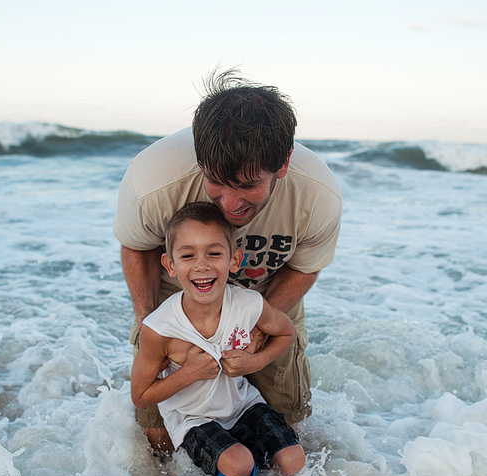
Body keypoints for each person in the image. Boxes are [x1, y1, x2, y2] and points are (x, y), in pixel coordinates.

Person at [114, 68, 342, 453]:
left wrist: (257, 324)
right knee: (159, 433)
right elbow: (136, 247)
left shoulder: (318, 195)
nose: (231, 205)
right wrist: (150, 321)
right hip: (179, 294)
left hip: (269, 294)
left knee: (286, 423)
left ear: (283, 163)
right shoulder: (153, 180)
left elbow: (304, 267)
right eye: (217, 181)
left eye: (249, 185)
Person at [130, 202, 305, 476]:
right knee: (239, 462)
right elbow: (141, 396)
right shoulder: (160, 328)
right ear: (170, 266)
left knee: (293, 461)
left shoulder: (249, 304)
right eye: (188, 255)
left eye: (214, 253)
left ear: (234, 259)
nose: (203, 265)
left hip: (242, 405)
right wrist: (188, 373)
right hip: (194, 418)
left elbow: (286, 332)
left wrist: (256, 362)